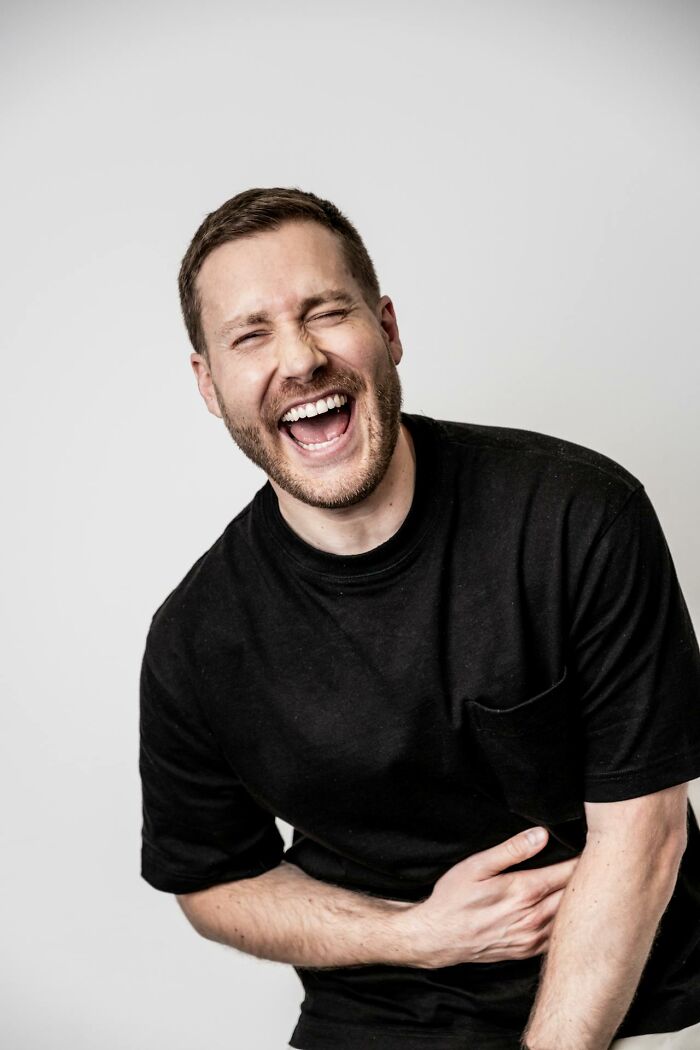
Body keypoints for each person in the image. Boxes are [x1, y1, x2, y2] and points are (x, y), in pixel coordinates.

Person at [138, 187, 700, 1050]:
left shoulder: (579, 517)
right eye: (251, 335)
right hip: (379, 1014)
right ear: (210, 385)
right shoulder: (196, 640)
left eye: (326, 312)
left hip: (632, 1000)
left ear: (389, 329)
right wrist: (415, 934)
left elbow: (647, 832)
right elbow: (212, 881)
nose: (299, 359)